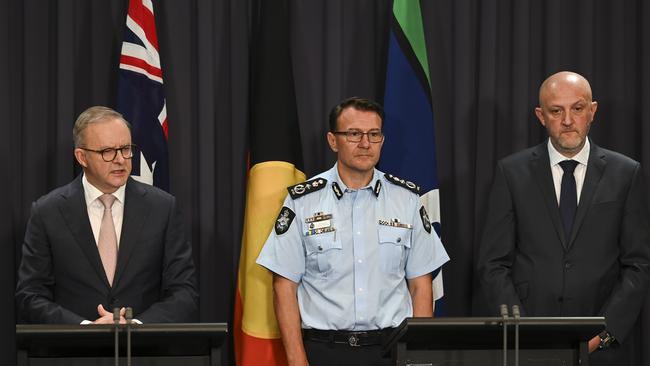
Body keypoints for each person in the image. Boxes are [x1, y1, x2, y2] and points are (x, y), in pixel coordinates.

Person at [256, 97, 449, 366]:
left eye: (374, 134)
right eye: (354, 134)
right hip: (324, 351)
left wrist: (417, 355)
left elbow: (420, 285)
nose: (365, 143)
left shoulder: (406, 200)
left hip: (391, 351)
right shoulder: (303, 201)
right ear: (333, 140)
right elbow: (284, 286)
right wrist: (297, 360)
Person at [477, 71, 650, 365]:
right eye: (556, 111)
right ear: (541, 116)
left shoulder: (625, 173)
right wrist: (522, 330)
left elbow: (638, 264)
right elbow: (493, 264)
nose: (568, 120)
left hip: (603, 349)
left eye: (577, 108)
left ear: (592, 111)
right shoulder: (512, 173)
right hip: (527, 347)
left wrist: (604, 333)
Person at [16, 106, 198, 324]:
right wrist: (85, 329)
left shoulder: (162, 208)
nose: (120, 159)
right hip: (73, 354)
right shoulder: (48, 212)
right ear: (82, 157)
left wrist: (136, 326)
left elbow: (184, 292)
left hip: (143, 353)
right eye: (107, 152)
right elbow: (30, 295)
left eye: (126, 149)